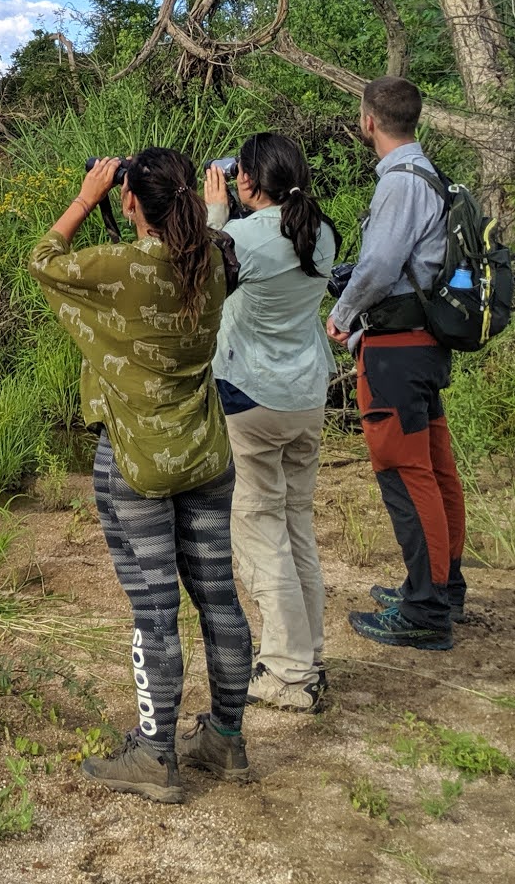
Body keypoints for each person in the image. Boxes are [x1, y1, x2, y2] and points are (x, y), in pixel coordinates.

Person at [30, 148, 253, 804]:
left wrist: (84, 196)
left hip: (136, 461)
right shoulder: (212, 258)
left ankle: (156, 757)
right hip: (206, 455)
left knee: (155, 611)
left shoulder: (119, 267)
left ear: (129, 199)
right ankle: (227, 741)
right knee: (220, 599)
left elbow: (42, 260)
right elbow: (214, 242)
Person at [328, 75, 467, 652]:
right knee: (433, 469)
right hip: (425, 344)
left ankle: (426, 610)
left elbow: (381, 265)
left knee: (405, 475)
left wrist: (344, 314)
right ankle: (439, 586)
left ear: (368, 121)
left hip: (396, 350)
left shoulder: (400, 183)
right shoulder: (429, 174)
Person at [203, 134, 338, 712]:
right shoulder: (322, 231)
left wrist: (213, 217)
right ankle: (309, 655)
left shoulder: (239, 237)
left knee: (261, 531)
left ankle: (286, 673)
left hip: (252, 396)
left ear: (251, 182)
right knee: (296, 524)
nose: (232, 180)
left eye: (239, 175)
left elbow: (199, 283)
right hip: (307, 395)